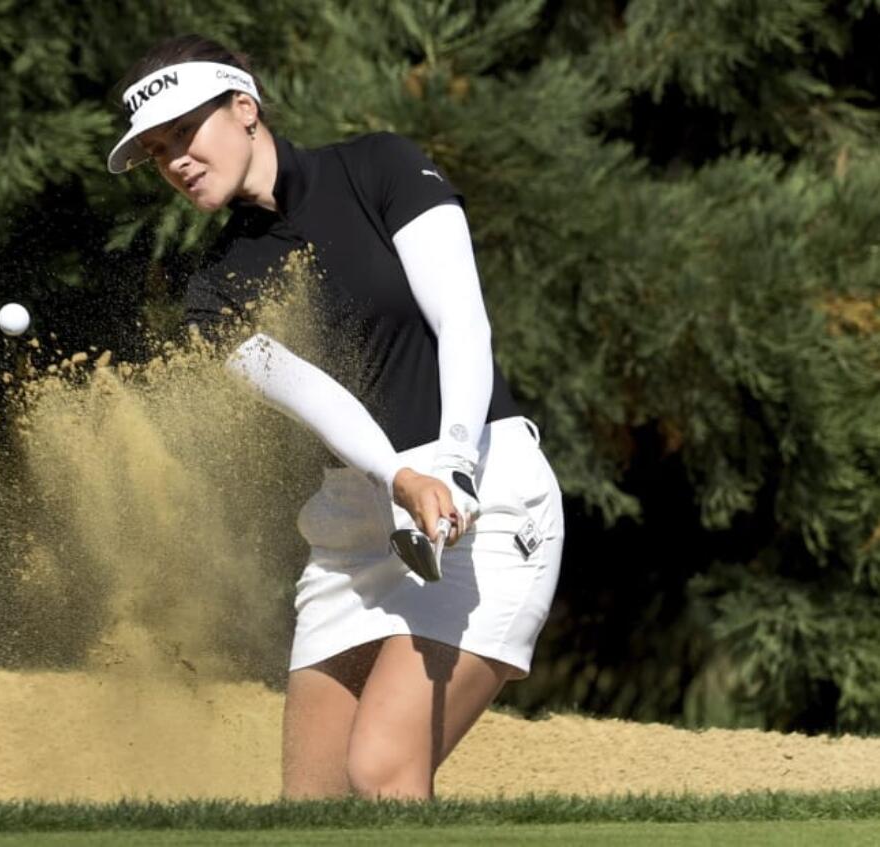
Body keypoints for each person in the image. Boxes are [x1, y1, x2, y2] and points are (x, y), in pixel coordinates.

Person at [107, 35, 564, 800]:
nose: (175, 160)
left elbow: (462, 321)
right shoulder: (214, 292)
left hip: (486, 492)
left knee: (381, 770)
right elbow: (310, 391)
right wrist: (400, 476)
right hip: (356, 529)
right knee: (313, 806)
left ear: (244, 109)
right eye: (158, 151)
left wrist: (448, 461)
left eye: (185, 133)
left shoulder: (379, 168)